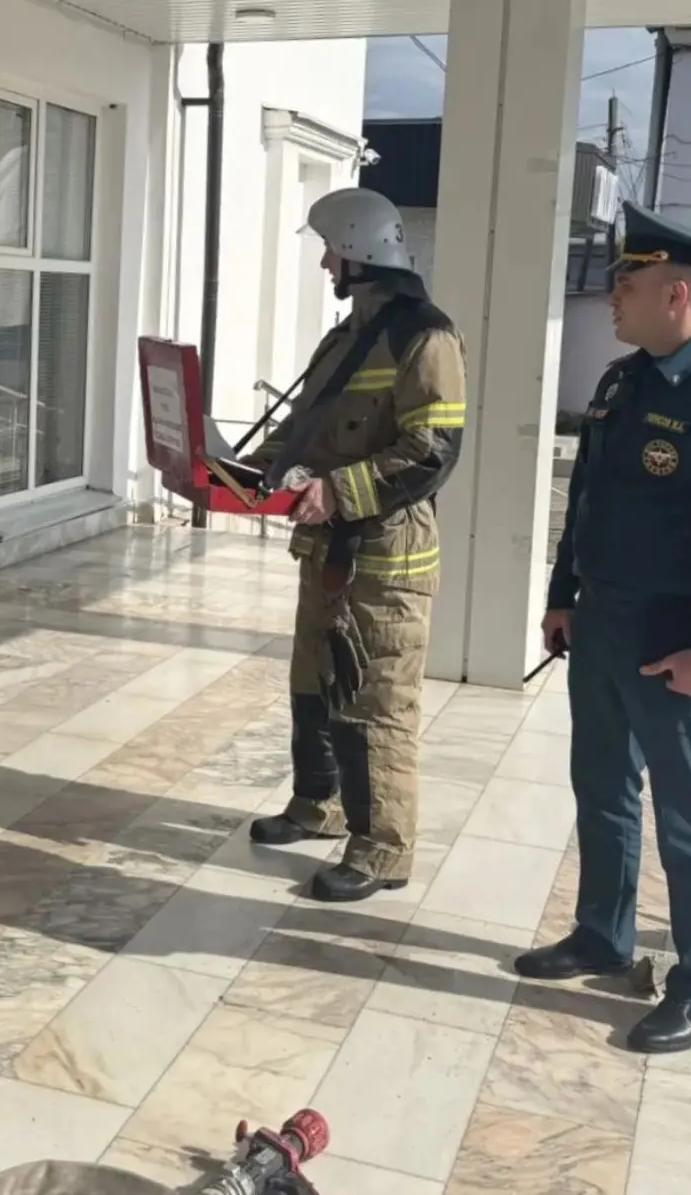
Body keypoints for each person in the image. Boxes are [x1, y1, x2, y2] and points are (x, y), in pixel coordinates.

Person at [515, 202, 691, 1055]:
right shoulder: (621, 383)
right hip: (602, 625)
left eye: (625, 284)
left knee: (687, 817)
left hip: (677, 646)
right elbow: (587, 501)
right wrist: (563, 595)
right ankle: (603, 934)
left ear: (676, 294)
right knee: (601, 788)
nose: (611, 297)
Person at [244, 188, 467, 903]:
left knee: (376, 702)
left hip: (388, 558)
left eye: (329, 251)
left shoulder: (426, 337)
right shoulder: (348, 336)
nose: (324, 265)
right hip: (326, 551)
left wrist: (341, 490)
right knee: (313, 683)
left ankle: (384, 848)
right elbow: (306, 427)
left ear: (358, 250)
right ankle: (320, 805)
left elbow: (433, 449)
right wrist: (245, 472)